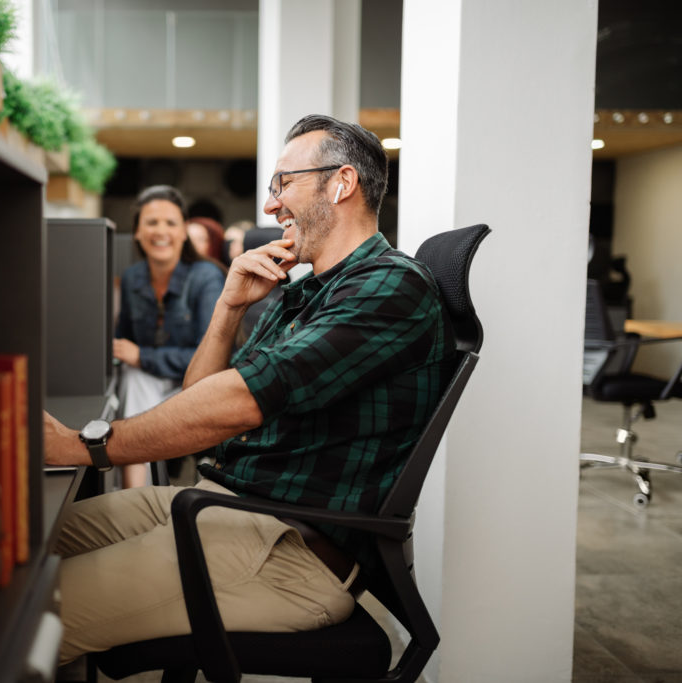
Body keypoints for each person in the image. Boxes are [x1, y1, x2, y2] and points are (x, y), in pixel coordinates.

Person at [45, 114, 456, 663]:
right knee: (28, 545)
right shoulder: (308, 292)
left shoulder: (390, 284)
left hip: (289, 552)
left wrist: (84, 447)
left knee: (36, 615)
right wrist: (229, 304)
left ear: (341, 183)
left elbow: (238, 402)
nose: (271, 205)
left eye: (283, 183)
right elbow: (200, 398)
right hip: (230, 510)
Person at [112, 185, 226, 488]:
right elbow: (121, 340)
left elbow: (211, 358)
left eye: (170, 223)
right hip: (148, 386)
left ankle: (135, 490)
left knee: (136, 371)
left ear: (184, 232)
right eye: (151, 222)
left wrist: (142, 356)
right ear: (136, 232)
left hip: (198, 386)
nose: (160, 230)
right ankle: (136, 493)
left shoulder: (206, 277)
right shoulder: (133, 277)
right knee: (132, 376)